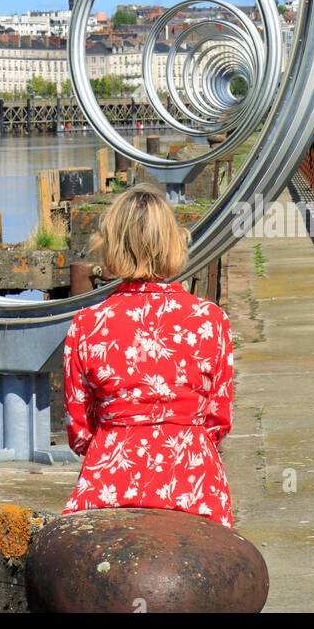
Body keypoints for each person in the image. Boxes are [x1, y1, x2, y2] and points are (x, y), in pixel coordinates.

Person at [61, 184, 233, 529]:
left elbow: (80, 432)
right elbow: (218, 419)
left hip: (109, 481)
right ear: (174, 242)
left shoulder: (87, 325)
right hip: (194, 482)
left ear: (111, 246)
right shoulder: (210, 320)